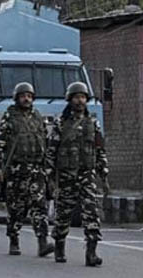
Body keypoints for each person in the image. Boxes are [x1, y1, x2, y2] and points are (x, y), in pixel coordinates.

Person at [46, 81, 108, 267]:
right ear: (70, 99)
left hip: (87, 175)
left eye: (83, 97)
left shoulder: (93, 124)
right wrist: (48, 175)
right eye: (76, 97)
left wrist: (103, 172)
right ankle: (59, 246)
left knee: (91, 213)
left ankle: (91, 252)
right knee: (63, 213)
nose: (80, 101)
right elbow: (52, 150)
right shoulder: (61, 124)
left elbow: (99, 150)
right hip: (67, 176)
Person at [0, 82, 54, 257]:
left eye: (29, 96)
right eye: (23, 96)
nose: (26, 99)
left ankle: (42, 242)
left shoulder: (37, 116)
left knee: (40, 207)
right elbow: (0, 144)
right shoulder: (10, 117)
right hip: (17, 170)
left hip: (36, 169)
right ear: (17, 98)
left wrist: (48, 166)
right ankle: (14, 240)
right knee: (16, 208)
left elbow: (45, 141)